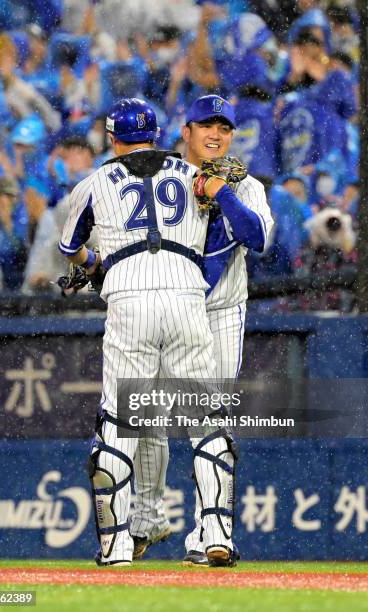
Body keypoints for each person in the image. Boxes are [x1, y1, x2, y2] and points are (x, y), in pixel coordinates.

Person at [58, 97, 241, 567]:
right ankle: (216, 532)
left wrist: (95, 265)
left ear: (112, 138)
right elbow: (222, 211)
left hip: (128, 299)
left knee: (120, 428)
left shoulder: (96, 180)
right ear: (158, 136)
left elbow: (70, 247)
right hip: (186, 294)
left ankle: (117, 546)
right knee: (206, 420)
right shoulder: (191, 174)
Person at [130, 95, 274, 565]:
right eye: (206, 125)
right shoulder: (161, 179)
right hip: (165, 310)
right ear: (185, 132)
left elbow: (258, 239)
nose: (216, 134)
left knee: (206, 419)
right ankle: (146, 521)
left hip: (218, 314)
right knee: (144, 418)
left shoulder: (247, 185)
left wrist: (221, 193)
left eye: (225, 127)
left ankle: (213, 535)